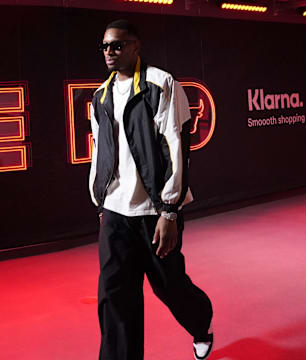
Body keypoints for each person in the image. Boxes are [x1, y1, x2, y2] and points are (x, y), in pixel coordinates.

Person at [88, 19, 213, 360]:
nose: (109, 52)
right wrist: (101, 203)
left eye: (117, 45)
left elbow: (175, 148)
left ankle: (201, 325)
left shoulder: (161, 84)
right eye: (104, 47)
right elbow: (100, 153)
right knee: (114, 297)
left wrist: (169, 210)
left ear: (135, 47)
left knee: (170, 287)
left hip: (155, 212)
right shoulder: (100, 96)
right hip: (115, 212)